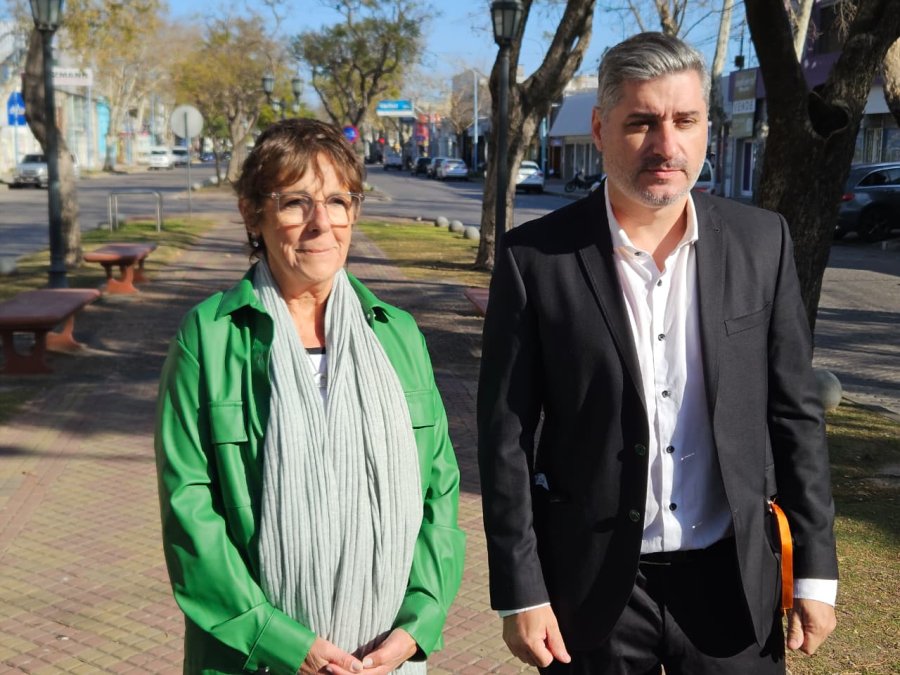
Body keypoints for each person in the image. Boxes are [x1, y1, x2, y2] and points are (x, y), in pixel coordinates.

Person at [477, 32, 837, 674]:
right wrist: (519, 589)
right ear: (600, 127)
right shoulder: (534, 259)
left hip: (732, 586)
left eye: (685, 120)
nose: (666, 146)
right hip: (590, 592)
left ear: (706, 127)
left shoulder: (763, 243)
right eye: (641, 122)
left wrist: (815, 572)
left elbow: (796, 414)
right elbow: (504, 436)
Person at [155, 118, 465, 675]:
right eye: (296, 202)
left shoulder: (396, 333)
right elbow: (189, 509)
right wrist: (279, 640)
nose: (322, 224)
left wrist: (418, 625)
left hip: (385, 657)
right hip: (258, 658)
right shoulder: (209, 336)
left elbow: (439, 493)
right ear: (254, 213)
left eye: (338, 201)